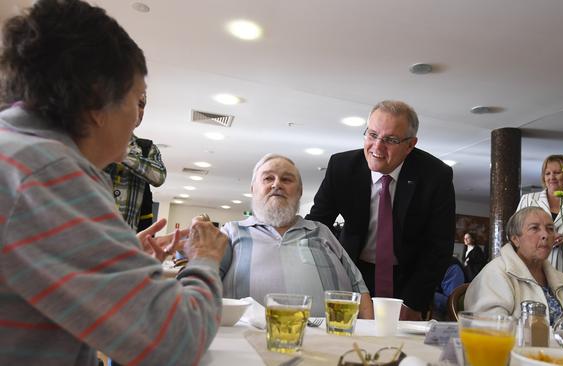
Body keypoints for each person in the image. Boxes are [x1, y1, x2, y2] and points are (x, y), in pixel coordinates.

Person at [0, 1, 228, 364]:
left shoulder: (16, 151)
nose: (137, 117)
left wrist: (122, 255)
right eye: (137, 99)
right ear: (96, 98)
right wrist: (204, 259)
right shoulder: (49, 172)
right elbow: (175, 340)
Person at [306, 100, 456, 320]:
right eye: (372, 135)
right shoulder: (342, 167)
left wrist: (414, 303)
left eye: (390, 140)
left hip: (409, 278)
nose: (377, 147)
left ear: (410, 145)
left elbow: (439, 246)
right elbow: (317, 227)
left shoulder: (435, 176)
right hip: (353, 272)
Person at [219, 154, 373, 318]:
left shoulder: (322, 232)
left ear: (299, 192)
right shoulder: (231, 233)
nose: (277, 184)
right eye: (268, 178)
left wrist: (371, 337)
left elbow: (359, 289)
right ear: (252, 189)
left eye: (286, 179)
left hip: (332, 339)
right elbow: (202, 288)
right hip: (245, 340)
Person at [464, 207, 563, 325]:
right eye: (534, 228)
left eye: (550, 229)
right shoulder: (495, 274)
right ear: (515, 239)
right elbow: (490, 329)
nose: (545, 234)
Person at [104, 91, 166, 232]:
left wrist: (122, 152)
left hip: (127, 241)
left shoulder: (147, 148)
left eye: (142, 105)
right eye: (133, 102)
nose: (138, 109)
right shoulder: (91, 139)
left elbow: (159, 176)